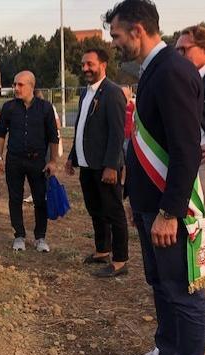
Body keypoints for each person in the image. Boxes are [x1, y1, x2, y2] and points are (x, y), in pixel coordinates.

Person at [105, 1, 205, 355]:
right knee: (162, 287)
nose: (114, 43)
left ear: (137, 30)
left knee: (183, 292)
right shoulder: (153, 70)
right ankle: (167, 351)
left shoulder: (171, 71)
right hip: (150, 205)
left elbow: (186, 150)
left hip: (168, 210)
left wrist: (169, 212)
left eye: (117, 35)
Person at [65, 48, 129, 278]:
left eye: (90, 64)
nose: (85, 69)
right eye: (83, 64)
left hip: (105, 166)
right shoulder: (85, 93)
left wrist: (112, 165)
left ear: (103, 64)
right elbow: (81, 127)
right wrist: (73, 156)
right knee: (96, 210)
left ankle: (120, 260)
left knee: (113, 212)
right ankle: (102, 250)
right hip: (87, 164)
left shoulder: (112, 93)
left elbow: (117, 133)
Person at [176, 24, 205, 336]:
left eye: (184, 49)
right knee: (195, 232)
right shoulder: (186, 79)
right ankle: (198, 296)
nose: (178, 55)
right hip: (189, 167)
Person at [0, 71, 59, 252]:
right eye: (15, 84)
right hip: (14, 160)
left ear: (31, 85)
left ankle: (40, 237)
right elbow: (0, 134)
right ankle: (19, 236)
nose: (16, 88)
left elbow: (54, 137)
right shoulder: (8, 108)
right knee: (15, 199)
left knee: (40, 199)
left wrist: (53, 161)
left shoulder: (45, 108)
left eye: (20, 85)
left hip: (38, 161)